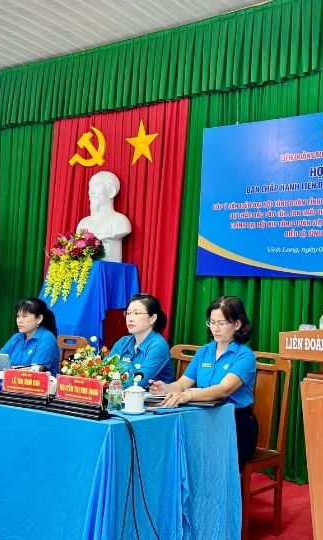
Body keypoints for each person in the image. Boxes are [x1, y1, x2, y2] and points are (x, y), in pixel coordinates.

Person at [150, 296, 259, 467]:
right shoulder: (204, 351)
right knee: (173, 452)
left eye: (222, 323)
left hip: (235, 423)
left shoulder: (245, 355)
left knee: (205, 461)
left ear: (237, 324)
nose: (215, 328)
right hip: (202, 418)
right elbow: (182, 384)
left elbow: (224, 390)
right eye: (212, 322)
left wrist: (188, 396)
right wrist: (166, 388)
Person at [106, 293, 174, 387]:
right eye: (128, 313)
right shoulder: (122, 342)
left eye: (136, 313)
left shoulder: (158, 345)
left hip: (149, 396)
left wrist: (110, 383)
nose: (130, 319)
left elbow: (138, 382)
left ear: (152, 318)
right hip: (117, 393)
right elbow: (103, 371)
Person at [76, 171, 131, 262]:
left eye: (97, 186)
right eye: (90, 187)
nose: (91, 192)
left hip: (108, 268)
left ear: (112, 192)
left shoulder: (120, 221)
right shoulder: (83, 223)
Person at [0, 298, 62, 375]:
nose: (19, 321)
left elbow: (35, 370)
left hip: (38, 381)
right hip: (12, 379)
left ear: (39, 319)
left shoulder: (47, 338)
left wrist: (9, 370)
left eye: (24, 316)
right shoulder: (16, 337)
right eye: (18, 316)